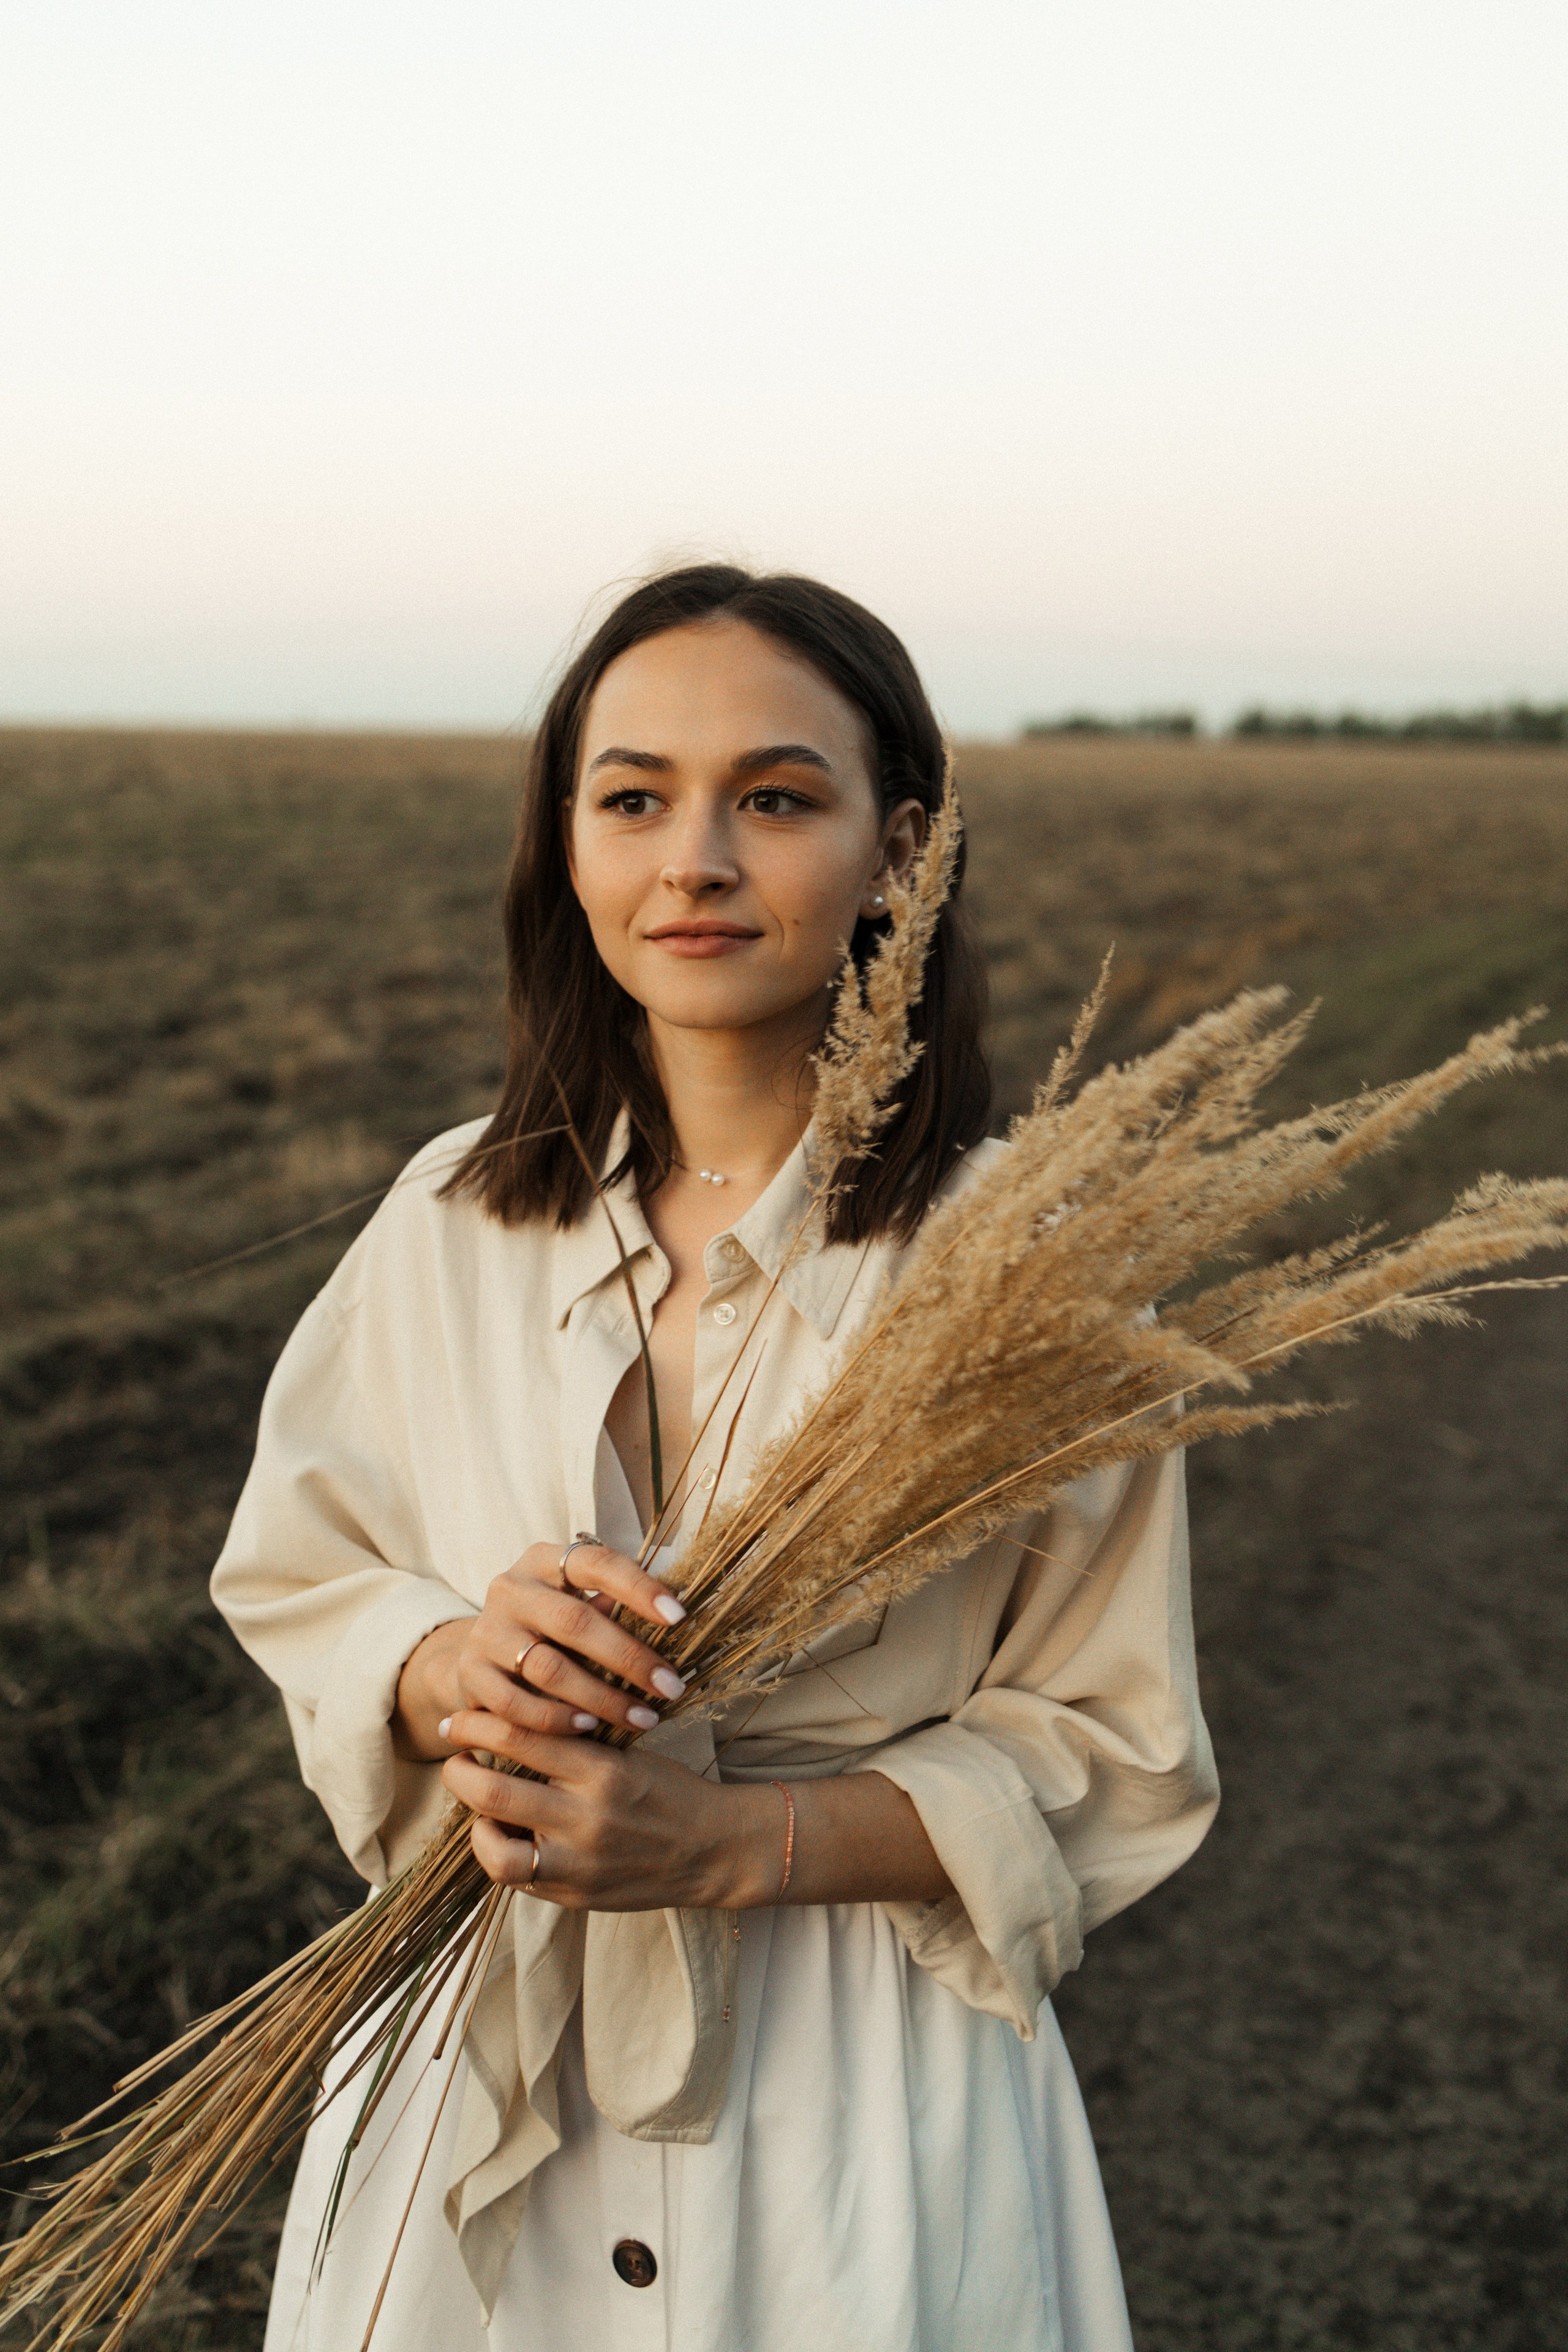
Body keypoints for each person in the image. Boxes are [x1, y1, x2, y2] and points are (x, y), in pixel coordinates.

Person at [211, 564, 1219, 2351]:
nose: (694, 859)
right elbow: (303, 1572)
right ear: (569, 844)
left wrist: (734, 1843)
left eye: (774, 796)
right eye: (633, 798)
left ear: (902, 850)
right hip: (471, 2054)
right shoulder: (451, 1220)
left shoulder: (1025, 1278)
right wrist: (451, 1665)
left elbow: (1112, 1743)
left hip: (858, 2098)